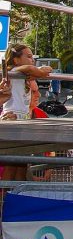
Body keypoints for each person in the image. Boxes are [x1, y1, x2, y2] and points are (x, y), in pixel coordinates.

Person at [1, 45, 47, 182]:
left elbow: (30, 70)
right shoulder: (14, 73)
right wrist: (40, 70)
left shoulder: (24, 77)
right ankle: (4, 197)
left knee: (21, 164)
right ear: (15, 60)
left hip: (22, 121)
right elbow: (29, 69)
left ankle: (14, 196)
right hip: (13, 120)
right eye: (28, 56)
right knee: (12, 163)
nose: (32, 60)